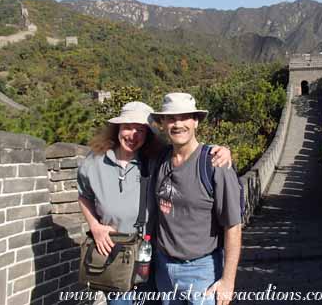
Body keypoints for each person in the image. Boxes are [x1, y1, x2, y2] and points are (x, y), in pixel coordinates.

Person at [77, 101, 232, 305]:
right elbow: (84, 195)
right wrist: (94, 226)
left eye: (141, 130)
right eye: (128, 127)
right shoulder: (94, 162)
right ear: (117, 128)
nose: (133, 135)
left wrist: (219, 151)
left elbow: (187, 149)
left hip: (150, 257)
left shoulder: (154, 160)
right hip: (113, 257)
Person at [151, 93, 242, 305]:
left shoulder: (215, 164)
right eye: (171, 118)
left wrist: (228, 282)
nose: (178, 124)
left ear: (196, 122)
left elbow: (233, 226)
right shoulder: (159, 160)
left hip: (203, 272)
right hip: (164, 271)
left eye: (185, 117)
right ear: (163, 123)